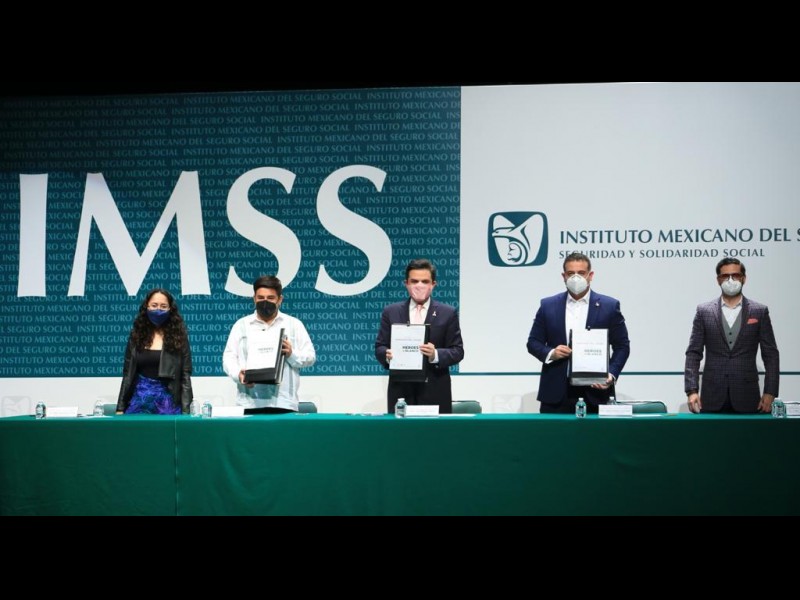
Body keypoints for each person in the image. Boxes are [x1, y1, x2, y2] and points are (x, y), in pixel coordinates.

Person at [526, 252, 630, 413]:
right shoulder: (548, 305)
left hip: (597, 390)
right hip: (556, 393)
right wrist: (551, 353)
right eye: (570, 273)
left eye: (581, 273)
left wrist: (611, 373)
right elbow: (533, 343)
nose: (576, 278)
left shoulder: (609, 306)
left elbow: (622, 346)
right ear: (563, 276)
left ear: (590, 275)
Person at [685, 258, 779, 414]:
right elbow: (693, 353)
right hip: (711, 394)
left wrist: (770, 392)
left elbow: (771, 355)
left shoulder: (759, 311)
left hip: (747, 395)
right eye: (725, 276)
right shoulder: (704, 311)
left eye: (735, 275)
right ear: (718, 280)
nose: (730, 280)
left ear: (744, 278)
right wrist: (691, 390)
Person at [375, 258, 464, 414]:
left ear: (433, 284)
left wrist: (435, 354)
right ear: (406, 283)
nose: (419, 285)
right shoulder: (391, 311)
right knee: (401, 430)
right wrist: (386, 355)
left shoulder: (448, 313)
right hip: (401, 390)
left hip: (435, 388)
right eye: (414, 281)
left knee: (434, 431)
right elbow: (379, 347)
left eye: (425, 281)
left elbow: (457, 351)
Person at [223, 275, 316, 414]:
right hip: (249, 403)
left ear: (280, 299)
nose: (265, 302)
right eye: (260, 298)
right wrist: (239, 374)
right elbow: (228, 358)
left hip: (284, 403)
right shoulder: (241, 326)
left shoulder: (294, 325)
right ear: (254, 298)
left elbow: (310, 357)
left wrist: (291, 354)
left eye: (270, 298)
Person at [117, 288, 193, 414]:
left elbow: (185, 376)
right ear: (146, 307)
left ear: (170, 309)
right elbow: (127, 375)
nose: (158, 310)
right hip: (139, 402)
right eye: (154, 305)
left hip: (168, 404)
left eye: (163, 306)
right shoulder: (136, 336)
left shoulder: (179, 337)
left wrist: (186, 411)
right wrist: (120, 407)